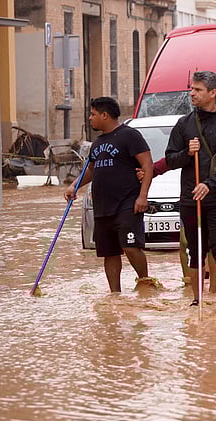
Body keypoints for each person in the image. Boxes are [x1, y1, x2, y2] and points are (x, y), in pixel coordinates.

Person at [165, 70, 216, 307]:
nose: (192, 93)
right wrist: (187, 153)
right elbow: (170, 159)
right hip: (191, 198)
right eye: (191, 89)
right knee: (195, 250)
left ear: (213, 93)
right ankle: (197, 300)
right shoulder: (184, 124)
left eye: (197, 90)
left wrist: (209, 185)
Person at [64, 97, 154, 293]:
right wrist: (74, 186)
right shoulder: (98, 143)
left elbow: (147, 165)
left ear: (105, 115)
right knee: (109, 253)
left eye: (93, 114)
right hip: (103, 206)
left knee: (130, 246)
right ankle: (115, 294)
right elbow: (91, 169)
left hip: (128, 203)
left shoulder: (129, 136)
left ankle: (145, 283)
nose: (90, 118)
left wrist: (143, 196)